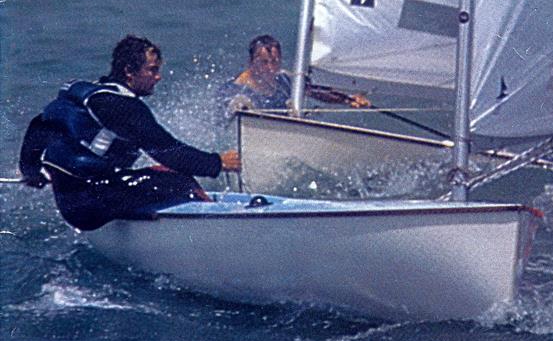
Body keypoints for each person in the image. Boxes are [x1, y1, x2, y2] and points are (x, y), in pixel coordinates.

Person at [18, 35, 241, 231]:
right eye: (152, 70)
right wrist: (217, 162)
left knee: (160, 172)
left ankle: (143, 213)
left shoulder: (93, 93)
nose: (158, 77)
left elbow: (39, 126)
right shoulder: (122, 106)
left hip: (72, 199)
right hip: (91, 206)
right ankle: (223, 228)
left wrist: (32, 171)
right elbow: (168, 151)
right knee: (180, 181)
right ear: (129, 72)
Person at [217, 34, 370, 119]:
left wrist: (348, 100)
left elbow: (314, 91)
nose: (270, 68)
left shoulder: (284, 81)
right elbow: (223, 113)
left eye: (275, 62)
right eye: (264, 62)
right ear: (251, 62)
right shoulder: (235, 87)